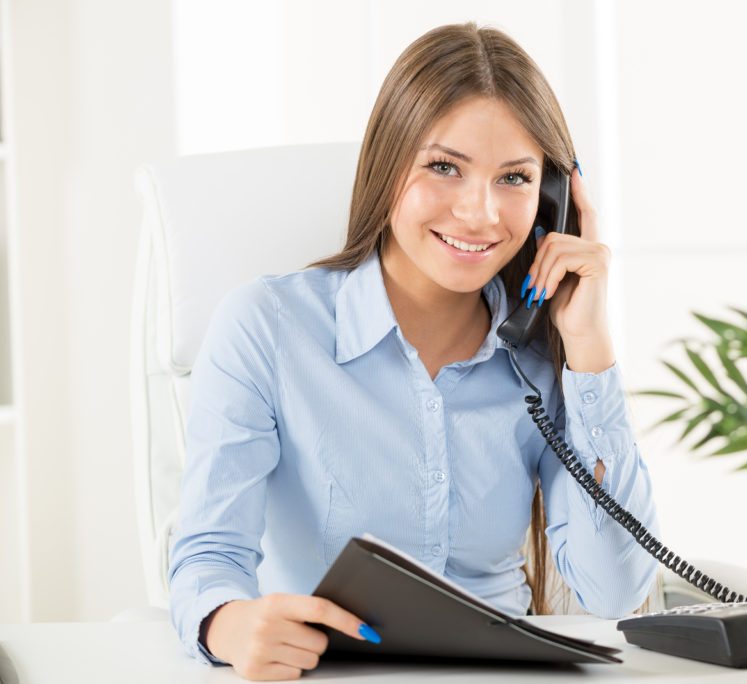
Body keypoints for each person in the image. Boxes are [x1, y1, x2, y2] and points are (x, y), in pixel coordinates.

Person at [168, 21, 660, 681]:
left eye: (513, 177)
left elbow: (613, 591)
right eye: (444, 166)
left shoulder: (541, 357)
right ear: (389, 163)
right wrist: (228, 624)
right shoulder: (267, 327)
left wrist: (590, 352)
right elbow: (209, 552)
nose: (481, 214)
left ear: (554, 203)